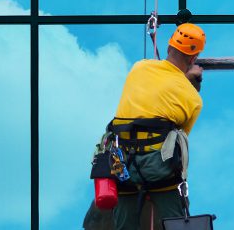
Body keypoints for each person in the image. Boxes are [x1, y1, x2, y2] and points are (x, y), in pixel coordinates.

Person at [88, 23, 206, 230]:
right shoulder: (193, 98)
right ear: (193, 58)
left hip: (123, 166)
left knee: (125, 212)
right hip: (160, 172)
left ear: (169, 48)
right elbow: (180, 134)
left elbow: (159, 85)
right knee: (174, 214)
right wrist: (190, 84)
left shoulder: (139, 68)